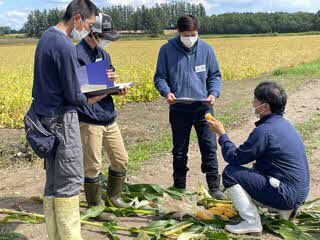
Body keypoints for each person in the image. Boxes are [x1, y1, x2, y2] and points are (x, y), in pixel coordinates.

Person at [31, 1, 105, 239]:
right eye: (89, 24)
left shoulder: (46, 37)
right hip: (63, 120)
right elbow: (73, 94)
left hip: (45, 119)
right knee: (70, 182)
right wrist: (100, 94)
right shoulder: (64, 44)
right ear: (77, 18)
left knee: (53, 181)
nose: (88, 29)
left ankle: (55, 236)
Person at [206, 82, 310, 235]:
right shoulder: (287, 126)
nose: (253, 103)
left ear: (265, 107)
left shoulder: (264, 131)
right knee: (256, 169)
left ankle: (251, 222)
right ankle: (286, 210)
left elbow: (235, 157)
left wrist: (222, 134)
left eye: (255, 100)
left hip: (287, 195)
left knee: (230, 173)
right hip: (299, 194)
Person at [153, 14, 226, 199]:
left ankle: (214, 187)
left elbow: (215, 76)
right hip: (179, 109)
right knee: (179, 150)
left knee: (209, 147)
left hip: (204, 108)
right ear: (178, 32)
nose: (190, 38)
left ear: (197, 32)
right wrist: (166, 92)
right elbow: (160, 77)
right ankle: (179, 187)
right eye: (186, 34)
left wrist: (213, 93)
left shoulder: (206, 49)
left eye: (193, 34)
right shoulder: (167, 50)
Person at [76, 13, 130, 220]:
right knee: (93, 165)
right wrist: (103, 85)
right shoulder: (76, 54)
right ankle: (95, 206)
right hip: (89, 118)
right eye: (105, 36)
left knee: (121, 159)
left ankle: (113, 197)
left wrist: (116, 88)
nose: (108, 41)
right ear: (93, 32)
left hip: (108, 115)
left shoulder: (103, 54)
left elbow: (105, 85)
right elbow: (77, 90)